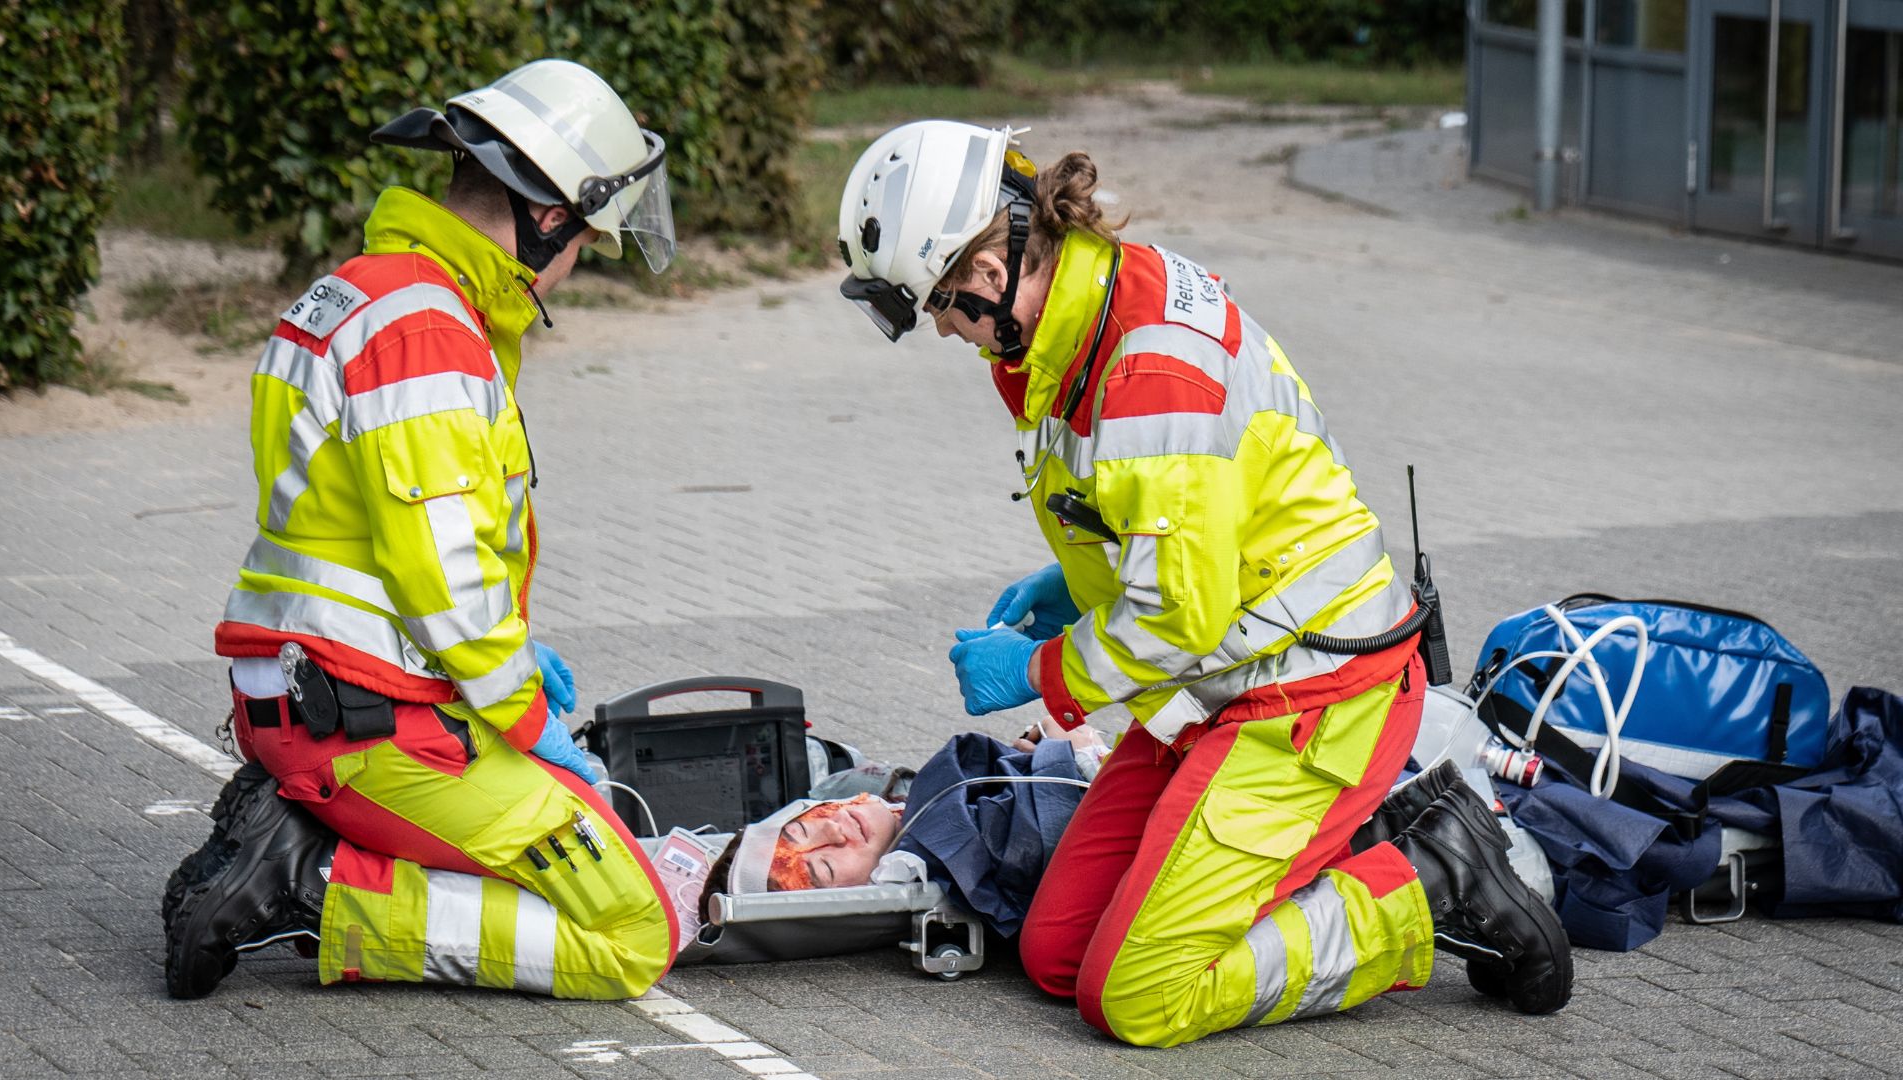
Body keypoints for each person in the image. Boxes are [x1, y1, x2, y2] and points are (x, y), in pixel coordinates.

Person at [833, 121, 1572, 1047]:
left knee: (1139, 994)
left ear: (985, 267)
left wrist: (1039, 673)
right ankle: (1294, 858)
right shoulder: (1080, 314)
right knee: (1058, 955)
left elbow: (1180, 615)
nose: (944, 328)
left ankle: (1426, 881)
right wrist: (1080, 580)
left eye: (939, 304)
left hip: (1311, 698)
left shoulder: (1146, 366)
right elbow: (1165, 516)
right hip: (1216, 689)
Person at [161, 59, 680, 1001]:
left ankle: (304, 839)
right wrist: (524, 716)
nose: (573, 272)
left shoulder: (367, 292)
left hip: (324, 695)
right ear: (548, 216)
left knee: (561, 846)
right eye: (581, 245)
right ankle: (309, 884)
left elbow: (373, 539)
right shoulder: (428, 330)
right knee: (633, 926)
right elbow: (441, 569)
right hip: (364, 724)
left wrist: (505, 656)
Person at [698, 720, 1107, 936]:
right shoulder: (960, 850)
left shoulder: (889, 798)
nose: (836, 833)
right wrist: (1076, 755)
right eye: (824, 870)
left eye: (806, 829)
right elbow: (1048, 837)